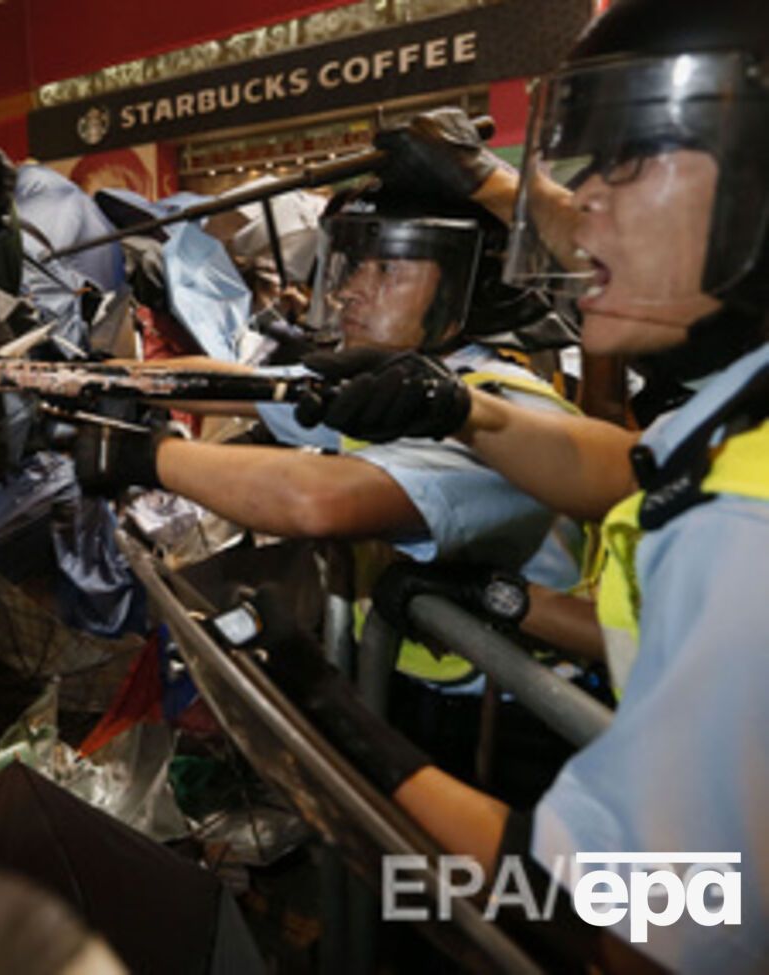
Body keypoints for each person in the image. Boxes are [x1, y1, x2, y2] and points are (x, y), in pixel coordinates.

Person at [297, 1, 769, 969]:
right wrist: (463, 414)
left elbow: (634, 926)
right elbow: (630, 466)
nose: (582, 201)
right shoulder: (729, 409)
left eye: (630, 159)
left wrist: (358, 751)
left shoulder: (742, 530)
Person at [76, 193, 589, 673]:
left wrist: (147, 456)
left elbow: (317, 500)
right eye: (355, 264)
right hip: (415, 688)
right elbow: (237, 385)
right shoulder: (397, 379)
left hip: (521, 722)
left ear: (470, 282)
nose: (350, 290)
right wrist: (81, 377)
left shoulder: (499, 409)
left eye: (387, 268)